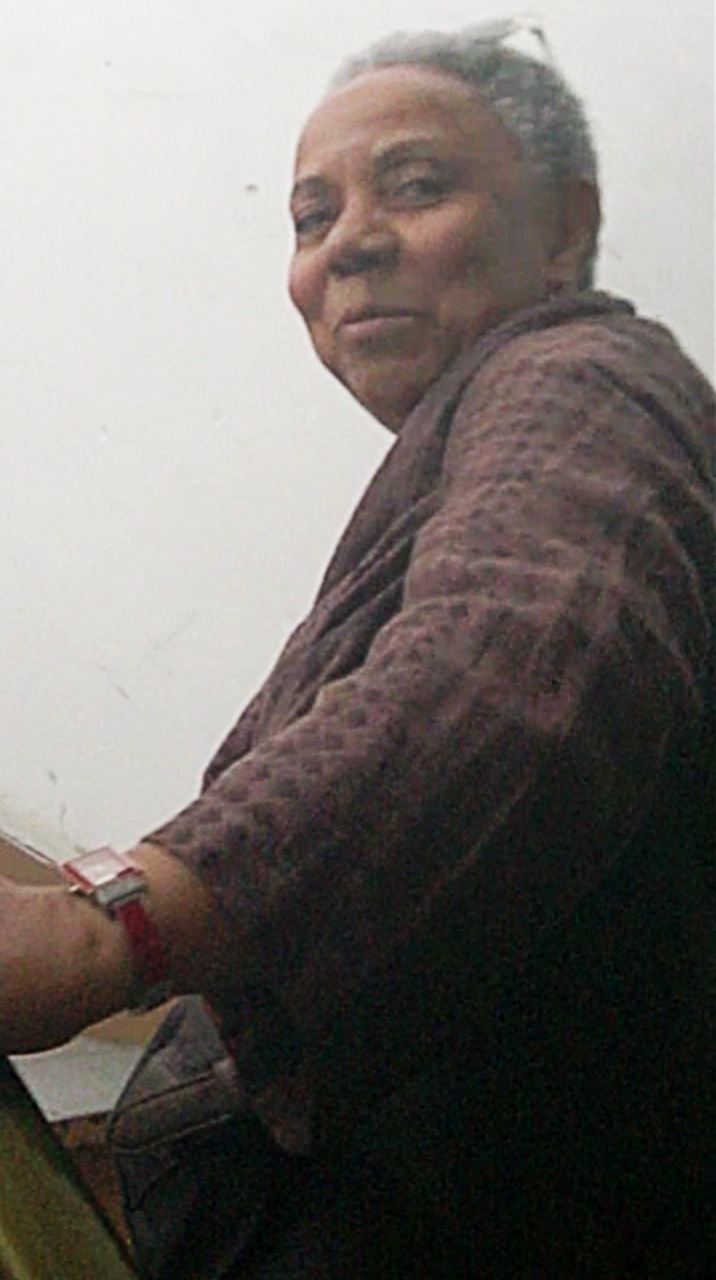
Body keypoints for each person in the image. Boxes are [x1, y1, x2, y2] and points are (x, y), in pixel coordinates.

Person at [1, 25, 713, 1279]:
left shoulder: (580, 377)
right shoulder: (484, 441)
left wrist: (106, 932)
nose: (349, 242)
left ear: (562, 229)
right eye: (310, 216)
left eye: (416, 185)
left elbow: (509, 680)